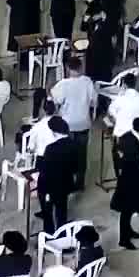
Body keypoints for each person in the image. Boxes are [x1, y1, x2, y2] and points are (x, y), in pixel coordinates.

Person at [50, 55, 97, 183]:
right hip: (83, 123)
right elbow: (94, 101)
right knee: (82, 154)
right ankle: (80, 181)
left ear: (68, 69)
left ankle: (68, 180)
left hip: (67, 125)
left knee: (67, 154)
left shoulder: (63, 84)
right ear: (81, 68)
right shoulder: (88, 81)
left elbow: (55, 100)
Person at [111, 116, 139, 249]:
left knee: (129, 209)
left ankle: (128, 231)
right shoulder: (132, 142)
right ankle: (124, 239)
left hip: (127, 177)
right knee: (127, 210)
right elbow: (130, 160)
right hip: (130, 180)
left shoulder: (128, 136)